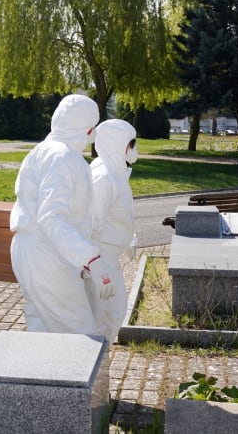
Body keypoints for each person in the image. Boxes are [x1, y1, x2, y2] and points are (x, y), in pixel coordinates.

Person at [10, 94, 106, 336]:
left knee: (42, 329)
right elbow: (52, 217)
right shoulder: (62, 156)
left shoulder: (44, 152)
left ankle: (41, 374)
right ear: (87, 128)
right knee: (81, 333)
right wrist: (90, 258)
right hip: (47, 254)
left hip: (36, 250)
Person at [89, 119, 138, 343]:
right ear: (117, 144)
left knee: (113, 313)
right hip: (100, 259)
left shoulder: (115, 172)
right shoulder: (104, 177)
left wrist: (128, 237)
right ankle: (94, 370)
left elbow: (116, 214)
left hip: (107, 256)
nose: (134, 149)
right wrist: (95, 266)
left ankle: (98, 366)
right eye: (132, 143)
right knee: (105, 316)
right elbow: (92, 225)